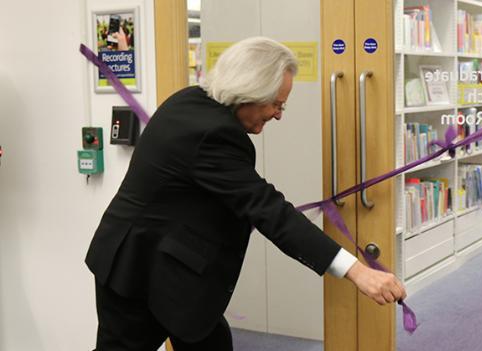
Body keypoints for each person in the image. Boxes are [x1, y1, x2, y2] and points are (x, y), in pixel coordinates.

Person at [86, 36, 407, 351]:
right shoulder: (213, 133)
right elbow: (270, 211)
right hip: (138, 271)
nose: (279, 114)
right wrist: (357, 271)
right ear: (248, 93)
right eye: (276, 104)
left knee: (210, 339)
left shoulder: (191, 100)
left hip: (171, 265)